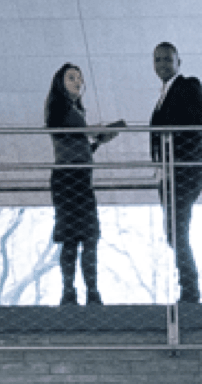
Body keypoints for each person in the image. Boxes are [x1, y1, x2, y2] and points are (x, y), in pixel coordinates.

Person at [45, 63, 121, 306]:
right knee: (77, 236)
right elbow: (86, 130)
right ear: (60, 82)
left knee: (85, 236)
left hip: (76, 176)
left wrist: (98, 141)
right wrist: (101, 132)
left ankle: (80, 291)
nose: (77, 82)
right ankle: (79, 292)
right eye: (71, 78)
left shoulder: (72, 110)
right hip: (70, 178)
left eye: (79, 78)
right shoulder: (61, 107)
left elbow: (81, 146)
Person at [148, 42, 202, 304]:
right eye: (158, 60)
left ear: (178, 62)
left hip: (184, 170)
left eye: (168, 60)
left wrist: (173, 150)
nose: (163, 64)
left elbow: (199, 125)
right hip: (168, 174)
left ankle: (190, 290)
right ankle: (188, 285)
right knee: (173, 231)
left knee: (177, 230)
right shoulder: (161, 96)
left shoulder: (188, 85)